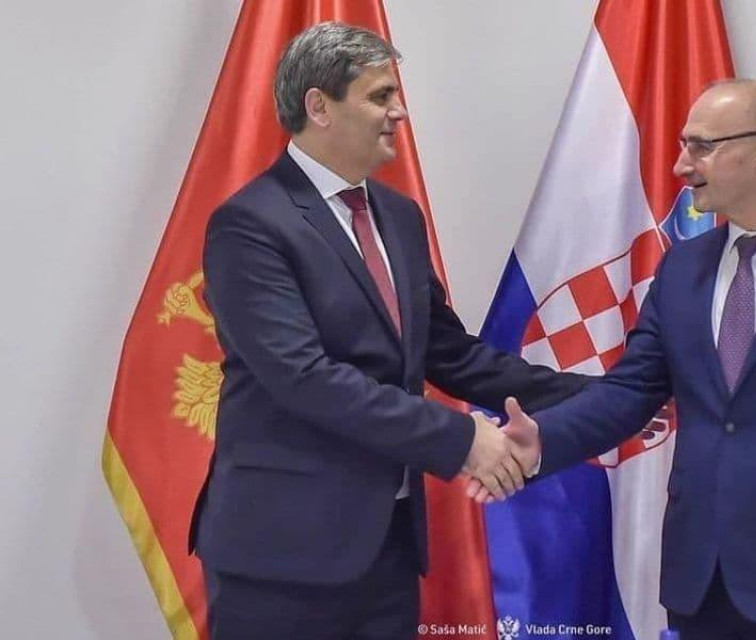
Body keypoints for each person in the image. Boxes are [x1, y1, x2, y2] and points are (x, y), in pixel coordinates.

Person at [481, 79, 756, 640]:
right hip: (698, 581)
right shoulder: (683, 266)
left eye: (702, 146)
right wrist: (541, 440)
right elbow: (631, 391)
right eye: (683, 145)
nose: (680, 165)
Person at [188, 22, 586, 640]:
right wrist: (462, 439)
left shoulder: (398, 217)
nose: (399, 111)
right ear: (319, 106)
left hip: (387, 549)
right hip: (280, 558)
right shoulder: (250, 225)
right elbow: (304, 378)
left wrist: (604, 397)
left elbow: (450, 354)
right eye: (380, 96)